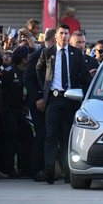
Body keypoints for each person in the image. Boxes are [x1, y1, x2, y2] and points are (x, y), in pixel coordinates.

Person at [36, 24, 91, 184]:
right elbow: (39, 69)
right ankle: (49, 172)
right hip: (53, 99)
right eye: (61, 33)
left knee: (68, 136)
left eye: (67, 33)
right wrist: (44, 89)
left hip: (70, 99)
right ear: (56, 35)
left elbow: (85, 75)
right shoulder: (48, 52)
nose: (64, 36)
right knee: (50, 136)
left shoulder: (76, 54)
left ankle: (69, 173)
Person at [23, 28, 56, 182]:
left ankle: (48, 167)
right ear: (53, 39)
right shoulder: (37, 55)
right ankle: (36, 168)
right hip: (38, 102)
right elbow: (28, 79)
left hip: (51, 101)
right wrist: (38, 97)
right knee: (41, 133)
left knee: (49, 135)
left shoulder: (57, 56)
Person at [0, 46, 30, 178]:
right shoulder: (8, 72)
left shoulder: (25, 72)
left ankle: (26, 167)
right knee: (10, 139)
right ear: (23, 60)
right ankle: (8, 168)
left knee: (27, 136)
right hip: (8, 111)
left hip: (20, 111)